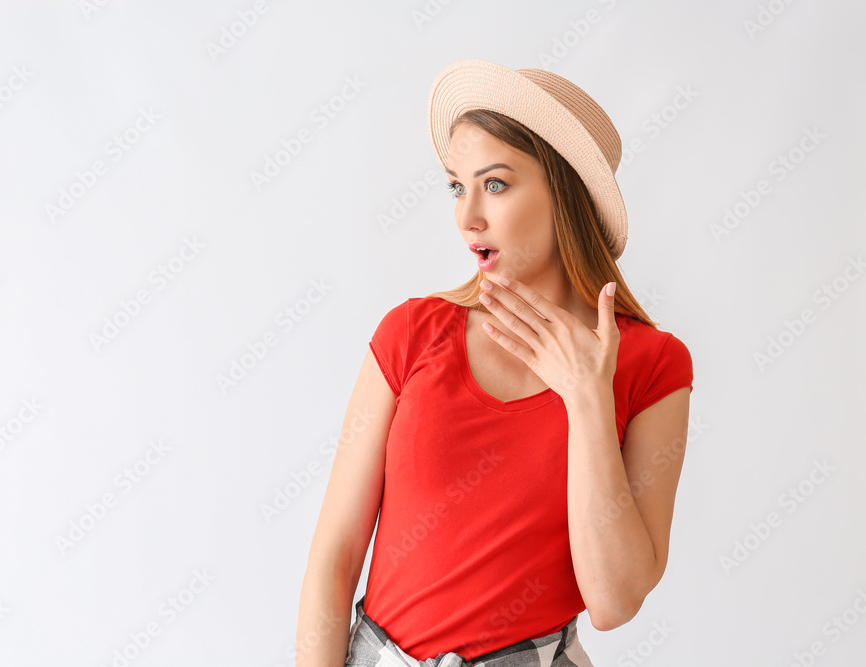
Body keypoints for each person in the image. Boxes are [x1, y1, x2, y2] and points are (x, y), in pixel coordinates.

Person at [296, 59, 694, 667]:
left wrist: (586, 397)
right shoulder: (410, 334)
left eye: (496, 184)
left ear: (566, 195)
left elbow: (613, 602)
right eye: (457, 186)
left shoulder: (651, 365)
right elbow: (333, 561)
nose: (467, 216)